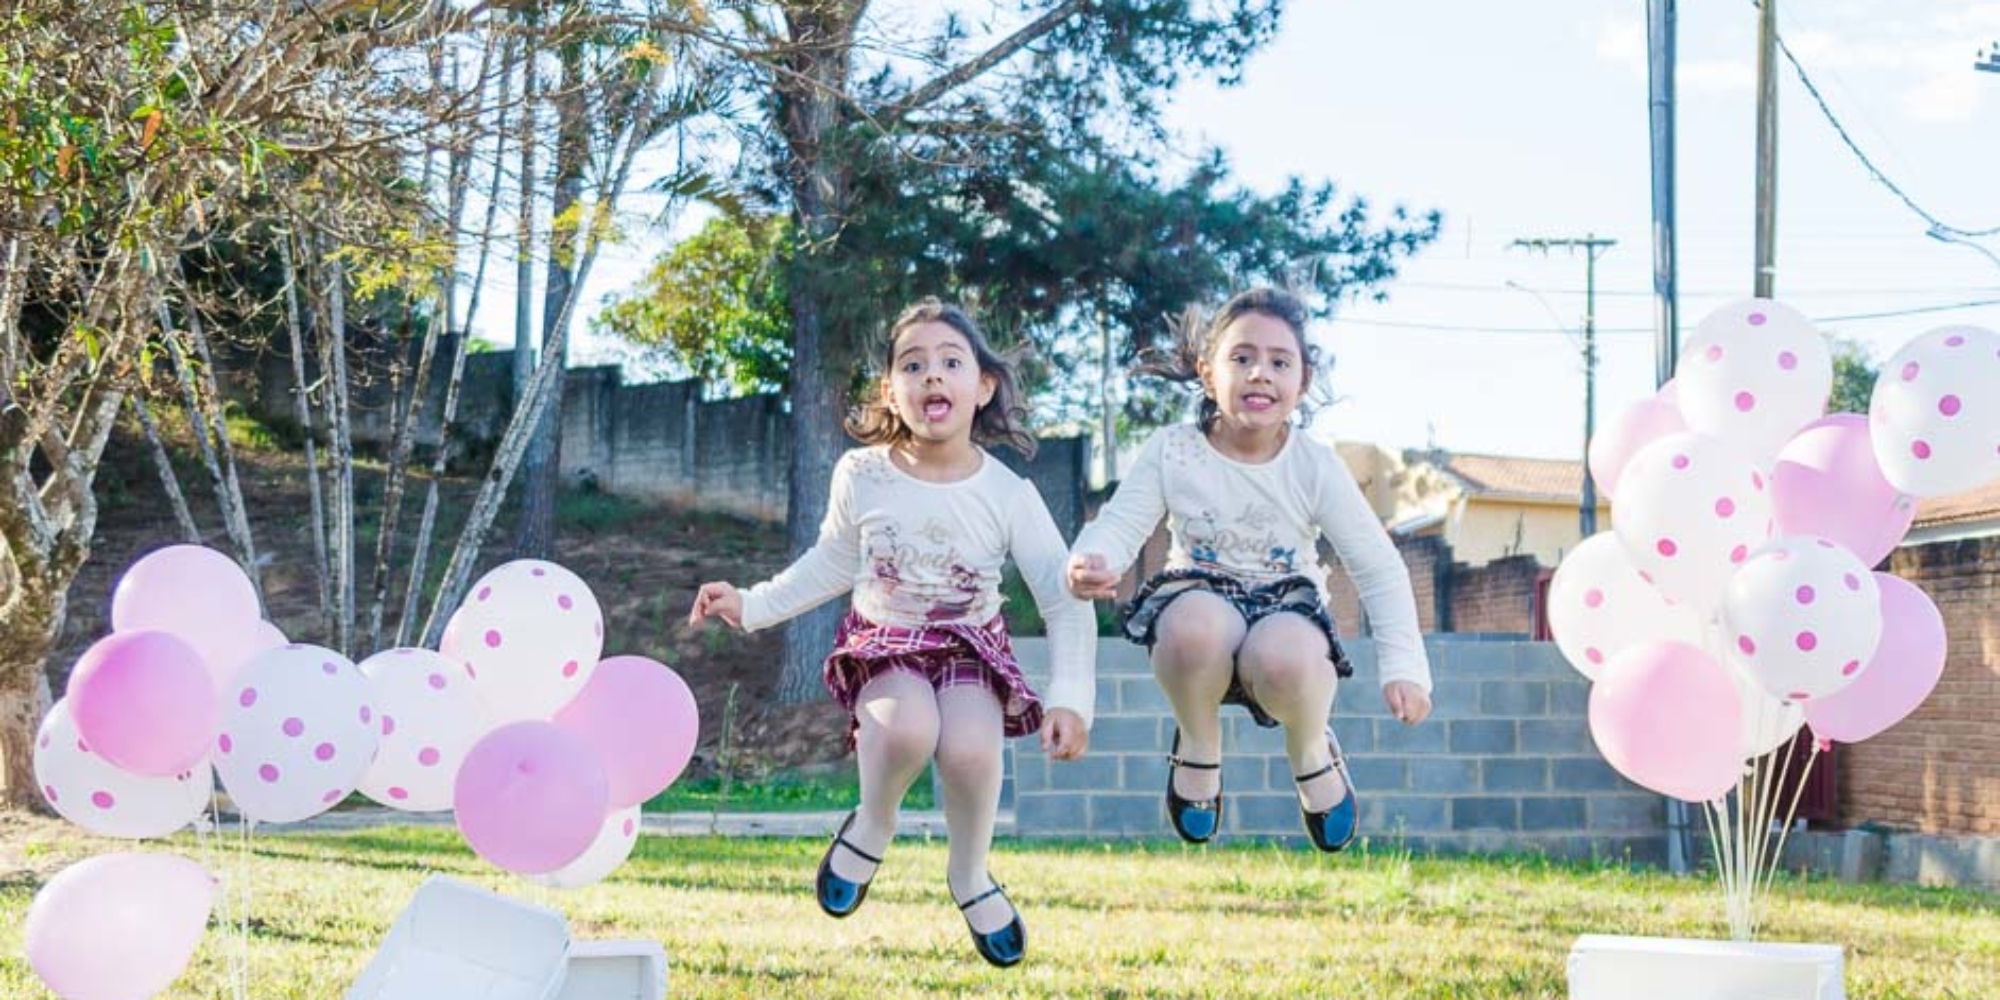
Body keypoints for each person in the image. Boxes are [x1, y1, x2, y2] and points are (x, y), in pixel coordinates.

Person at [689, 298, 1095, 967]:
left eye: (950, 362)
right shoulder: (864, 473)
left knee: (968, 750)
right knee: (906, 727)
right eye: (914, 365)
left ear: (983, 386)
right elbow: (834, 561)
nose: (932, 376)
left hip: (969, 645)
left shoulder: (1008, 493)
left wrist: (1071, 699)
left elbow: (1063, 599)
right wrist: (752, 604)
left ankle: (969, 872)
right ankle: (874, 821)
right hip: (889, 640)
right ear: (891, 390)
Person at [1066, 287, 1432, 851]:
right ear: (1209, 374)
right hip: (1201, 595)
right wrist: (1091, 561)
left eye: (1279, 362)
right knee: (1192, 627)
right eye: (1242, 358)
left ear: (1301, 383)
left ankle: (1311, 750)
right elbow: (1118, 525)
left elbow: (1379, 568)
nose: (1260, 373)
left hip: (1285, 607)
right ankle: (1198, 742)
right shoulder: (1174, 450)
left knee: (1283, 654)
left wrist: (1405, 666)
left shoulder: (1314, 464)